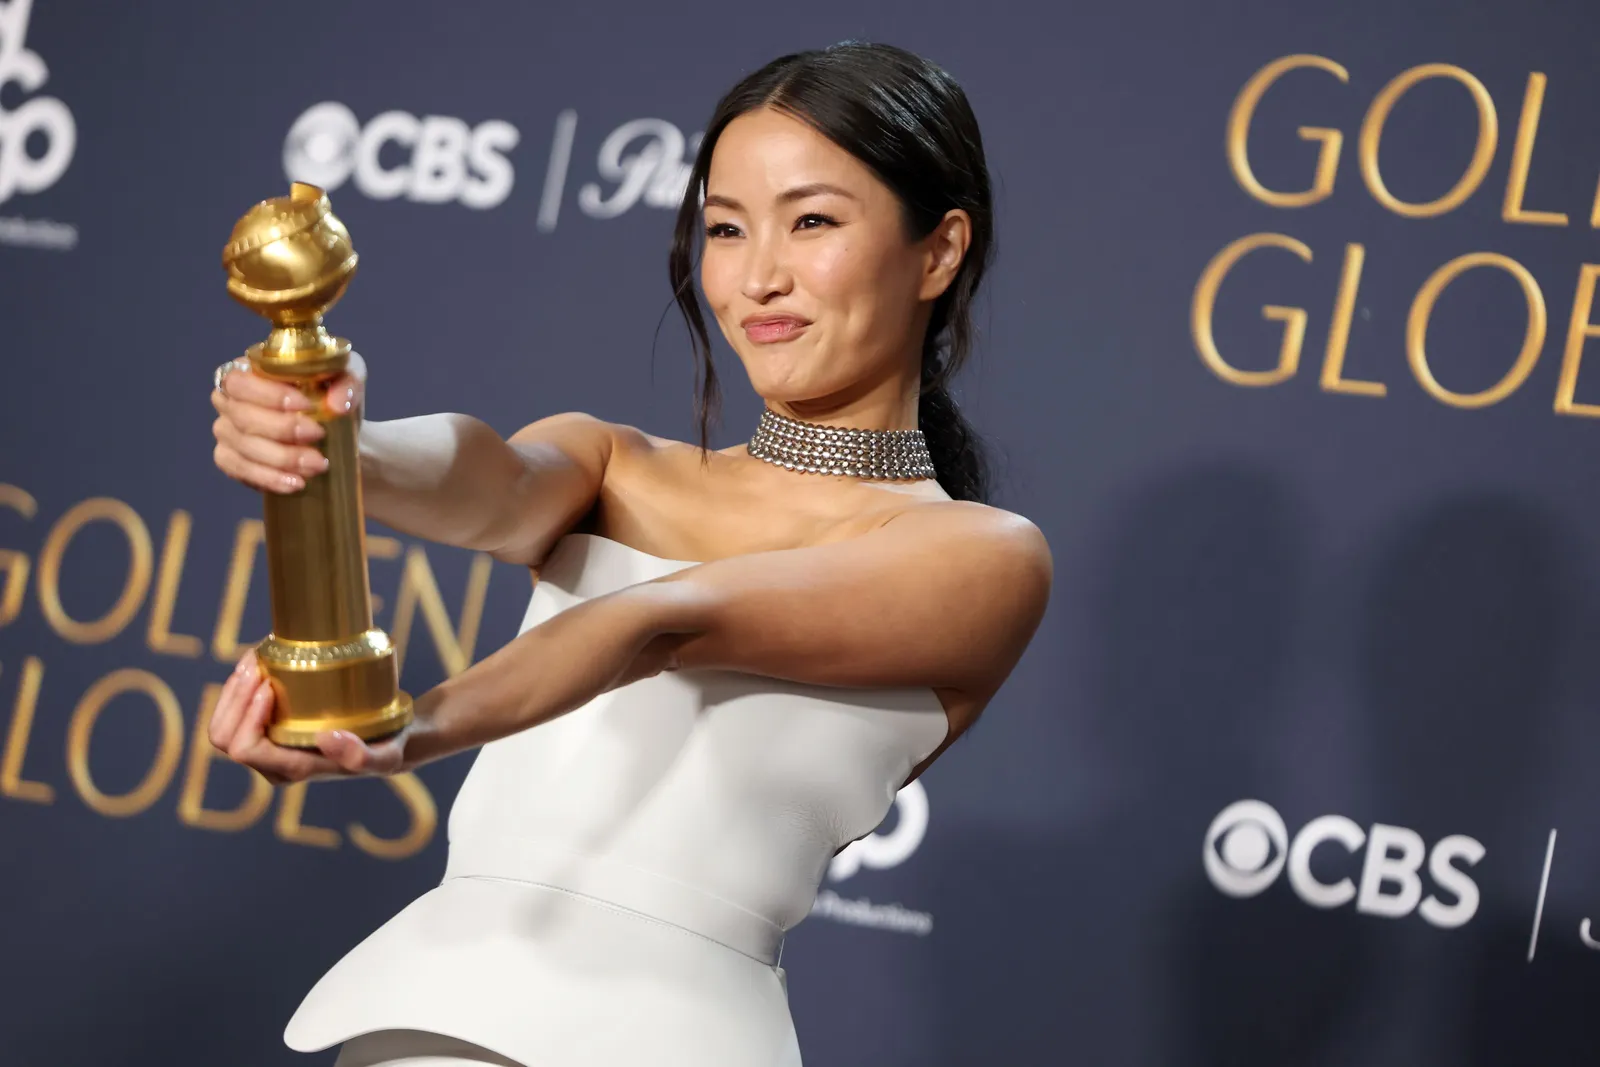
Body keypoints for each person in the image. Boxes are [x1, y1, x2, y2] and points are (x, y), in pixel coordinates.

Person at [208, 41, 1050, 1067]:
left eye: (813, 220)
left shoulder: (979, 555)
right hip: (432, 1016)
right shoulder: (615, 463)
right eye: (726, 228)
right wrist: (333, 443)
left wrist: (400, 728)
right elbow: (489, 480)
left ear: (939, 250)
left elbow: (660, 619)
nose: (759, 276)